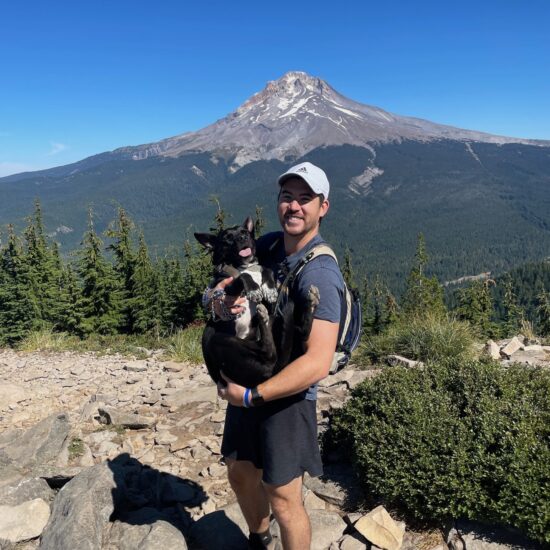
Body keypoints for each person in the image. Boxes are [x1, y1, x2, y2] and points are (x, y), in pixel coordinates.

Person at [208, 161, 345, 550]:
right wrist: (218, 299)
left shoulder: (320, 275)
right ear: (278, 203)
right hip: (254, 372)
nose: (295, 207)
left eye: (306, 199)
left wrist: (252, 397)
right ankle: (259, 538)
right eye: (287, 197)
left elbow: (317, 363)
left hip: (288, 395)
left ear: (323, 207)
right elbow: (222, 281)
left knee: (284, 497)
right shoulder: (266, 245)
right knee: (239, 470)